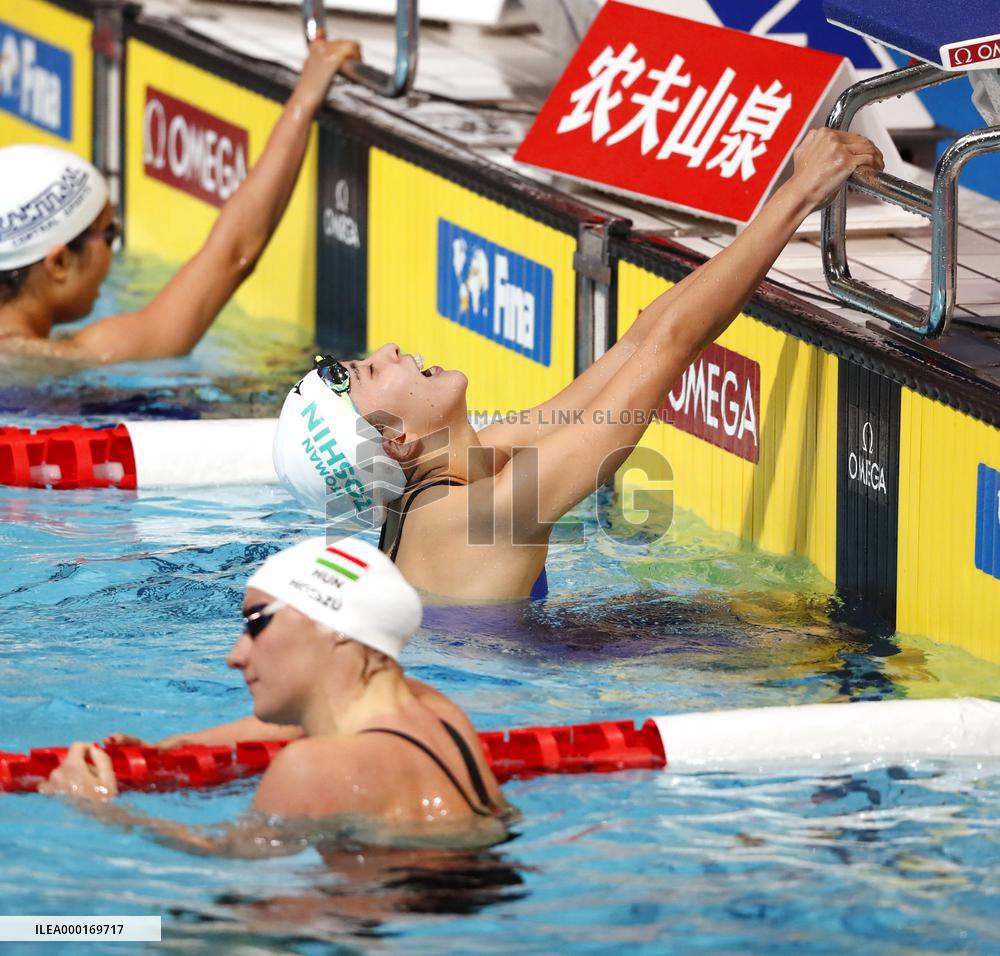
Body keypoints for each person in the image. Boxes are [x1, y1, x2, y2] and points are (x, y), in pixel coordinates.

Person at [271, 129, 884, 602]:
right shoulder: (478, 516)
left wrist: (795, 189)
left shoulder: (454, 474)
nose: (390, 351)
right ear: (398, 440)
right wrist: (799, 193)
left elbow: (637, 345)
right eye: (373, 372)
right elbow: (668, 350)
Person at [39, 537, 513, 855]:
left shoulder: (314, 766)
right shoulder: (432, 709)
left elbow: (232, 850)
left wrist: (98, 808)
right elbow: (296, 718)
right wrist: (179, 745)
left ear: (331, 626)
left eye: (256, 623)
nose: (235, 655)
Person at [0, 34, 359, 366]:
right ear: (59, 262)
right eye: (109, 234)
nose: (115, 246)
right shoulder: (61, 362)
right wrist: (305, 98)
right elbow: (233, 255)